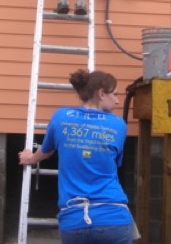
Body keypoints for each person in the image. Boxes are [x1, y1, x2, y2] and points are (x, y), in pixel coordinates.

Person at [18, 69, 136, 244]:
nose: (118, 101)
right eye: (115, 94)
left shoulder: (61, 117)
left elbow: (46, 151)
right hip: (114, 218)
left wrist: (29, 158)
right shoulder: (118, 124)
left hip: (74, 221)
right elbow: (114, 162)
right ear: (102, 93)